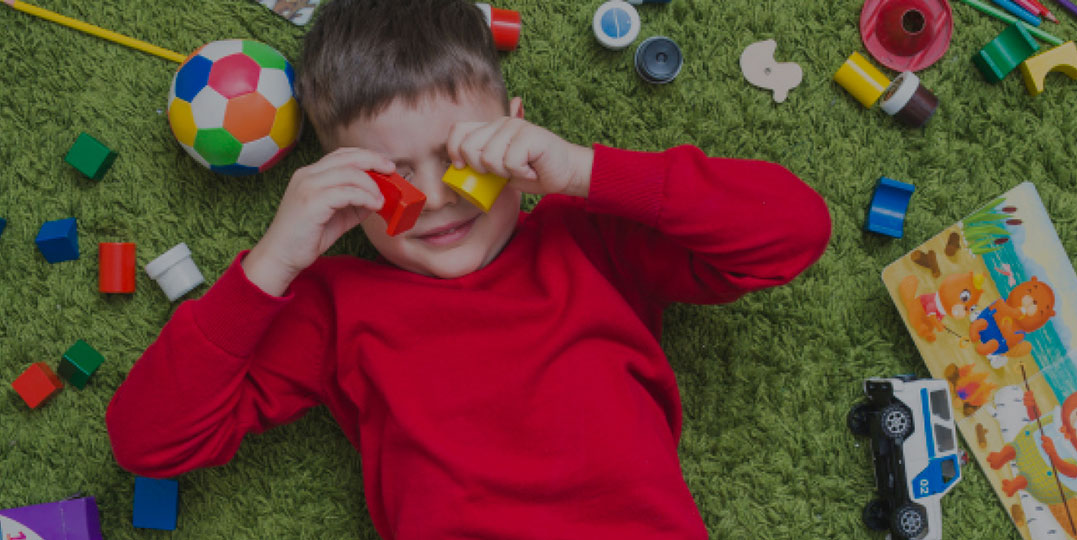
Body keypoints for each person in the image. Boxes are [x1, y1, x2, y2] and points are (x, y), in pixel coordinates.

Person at [105, 0, 832, 537]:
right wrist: (271, 263)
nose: (437, 198)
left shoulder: (591, 241)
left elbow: (793, 232)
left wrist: (581, 170)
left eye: (461, 157)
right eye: (392, 177)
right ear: (338, 181)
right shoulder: (334, 307)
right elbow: (150, 440)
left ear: (514, 128)